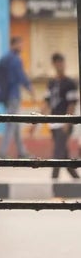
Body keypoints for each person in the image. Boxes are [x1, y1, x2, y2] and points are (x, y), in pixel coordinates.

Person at [0, 36, 34, 160]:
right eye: (20, 44)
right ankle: (2, 153)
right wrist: (29, 87)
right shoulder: (15, 59)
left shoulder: (4, 58)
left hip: (5, 96)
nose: (21, 46)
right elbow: (20, 76)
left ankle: (22, 151)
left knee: (15, 124)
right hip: (13, 95)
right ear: (14, 44)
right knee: (11, 124)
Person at [45, 51, 80, 181]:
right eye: (57, 63)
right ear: (54, 64)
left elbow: (72, 104)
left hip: (65, 122)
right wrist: (36, 120)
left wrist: (68, 121)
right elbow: (46, 102)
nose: (60, 65)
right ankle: (76, 179)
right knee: (63, 154)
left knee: (58, 152)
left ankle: (54, 180)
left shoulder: (70, 83)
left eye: (61, 63)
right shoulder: (52, 82)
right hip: (53, 122)